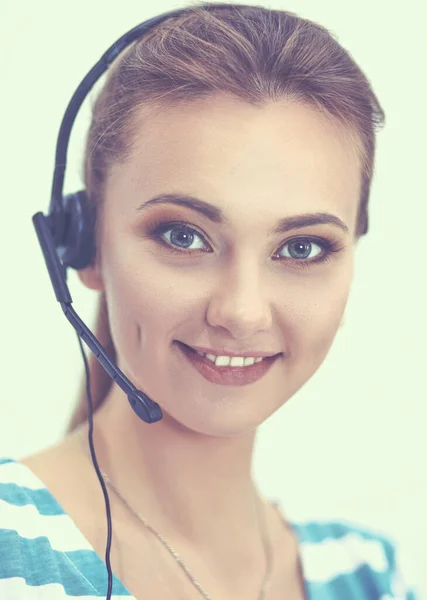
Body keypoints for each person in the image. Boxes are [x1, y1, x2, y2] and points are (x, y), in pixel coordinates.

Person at [0, 3, 420, 599]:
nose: (242, 311)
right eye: (183, 236)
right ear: (85, 244)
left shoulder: (370, 575)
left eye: (301, 248)